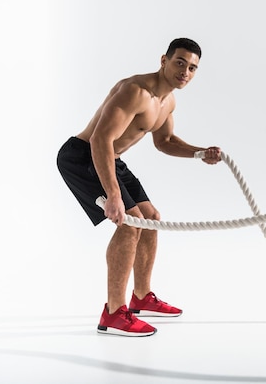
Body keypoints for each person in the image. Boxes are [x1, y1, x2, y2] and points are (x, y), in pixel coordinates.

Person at [57, 38, 221, 337]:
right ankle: (113, 313)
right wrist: (114, 196)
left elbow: (166, 142)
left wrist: (199, 152)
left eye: (192, 68)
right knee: (129, 225)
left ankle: (141, 297)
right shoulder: (134, 91)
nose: (185, 71)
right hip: (82, 157)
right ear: (164, 60)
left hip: (111, 159)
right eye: (180, 63)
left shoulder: (167, 101)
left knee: (151, 218)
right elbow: (100, 140)